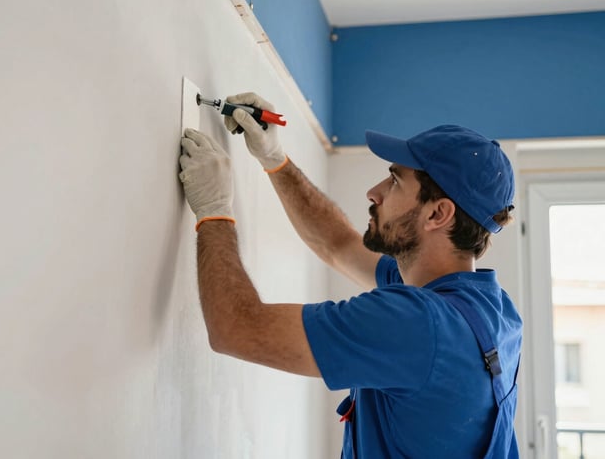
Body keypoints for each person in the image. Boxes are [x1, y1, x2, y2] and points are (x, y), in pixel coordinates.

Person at [178, 92, 522, 458]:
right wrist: (274, 159)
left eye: (395, 181)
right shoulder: (490, 310)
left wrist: (215, 213)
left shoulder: (417, 323)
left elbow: (237, 328)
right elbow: (339, 246)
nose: (374, 192)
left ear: (438, 214)